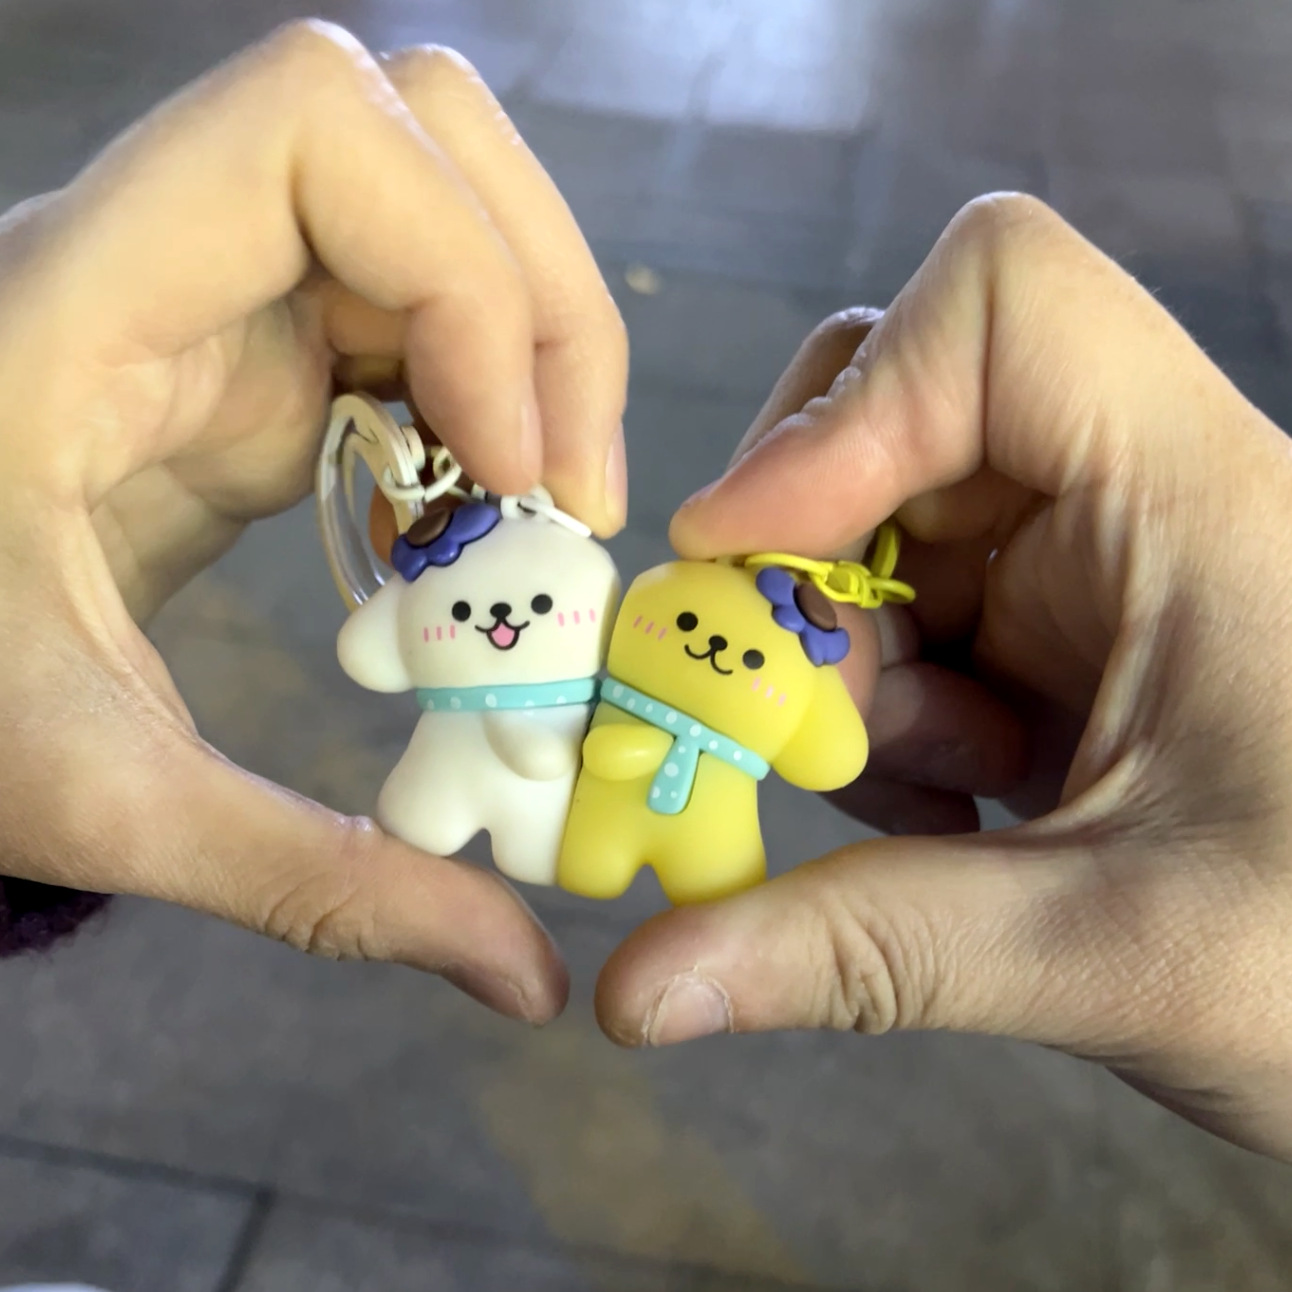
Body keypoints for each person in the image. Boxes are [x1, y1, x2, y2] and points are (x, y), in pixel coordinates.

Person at [0, 25, 1289, 1237]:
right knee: (493, 813)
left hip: (644, 786)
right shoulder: (559, 602)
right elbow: (381, 643)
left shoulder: (659, 629)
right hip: (492, 749)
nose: (511, 614)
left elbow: (831, 748)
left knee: (613, 843)